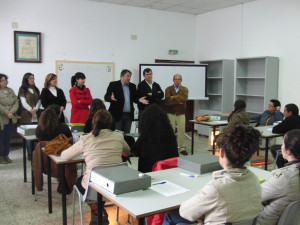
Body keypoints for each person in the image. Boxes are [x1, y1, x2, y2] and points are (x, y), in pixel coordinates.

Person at [162, 125, 262, 225]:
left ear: (221, 153)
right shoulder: (255, 180)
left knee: (172, 215)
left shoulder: (216, 188)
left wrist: (202, 215)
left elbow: (185, 212)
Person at [61, 109, 130, 225]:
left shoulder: (86, 139)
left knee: (84, 180)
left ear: (94, 123)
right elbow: (127, 152)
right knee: (100, 182)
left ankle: (98, 213)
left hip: (93, 188)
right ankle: (99, 212)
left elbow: (64, 156)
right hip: (115, 186)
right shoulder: (118, 137)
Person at [257, 129, 300, 225]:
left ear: (288, 152)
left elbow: (256, 195)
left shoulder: (284, 178)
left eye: (282, 143)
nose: (281, 146)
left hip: (265, 220)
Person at [131, 104, 179, 173]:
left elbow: (133, 152)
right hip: (171, 171)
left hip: (151, 173)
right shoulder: (171, 136)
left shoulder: (145, 137)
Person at [104, 69, 148, 133]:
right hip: (117, 115)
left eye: (130, 76)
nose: (129, 78)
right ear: (122, 76)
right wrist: (110, 98)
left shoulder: (132, 86)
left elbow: (135, 98)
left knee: (127, 135)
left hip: (128, 116)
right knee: (117, 134)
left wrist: (139, 100)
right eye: (127, 76)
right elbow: (106, 97)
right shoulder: (113, 84)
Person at [18, 72, 41, 159]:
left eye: (33, 78)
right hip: (27, 115)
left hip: (36, 115)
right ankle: (30, 154)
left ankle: (36, 154)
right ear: (26, 79)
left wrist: (36, 109)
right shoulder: (22, 89)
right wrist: (32, 111)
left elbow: (39, 101)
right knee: (28, 135)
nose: (32, 80)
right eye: (30, 78)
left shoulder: (36, 89)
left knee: (36, 135)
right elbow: (24, 103)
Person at [164, 74, 189, 155]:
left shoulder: (185, 89)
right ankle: (170, 147)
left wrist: (173, 97)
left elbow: (184, 99)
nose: (177, 81)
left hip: (181, 113)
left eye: (179, 79)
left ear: (181, 80)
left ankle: (182, 148)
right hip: (170, 113)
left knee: (181, 130)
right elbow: (167, 101)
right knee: (170, 131)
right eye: (175, 79)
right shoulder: (168, 89)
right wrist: (178, 100)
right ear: (173, 80)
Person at [271, 103, 300, 168]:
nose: (283, 113)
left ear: (290, 112)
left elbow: (275, 129)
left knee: (274, 148)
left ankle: (282, 167)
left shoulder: (289, 120)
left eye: (284, 111)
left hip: (292, 148)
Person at [0, 74, 19, 164]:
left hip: (11, 117)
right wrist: (7, 112)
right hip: (2, 118)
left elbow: (16, 101)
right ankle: (0, 156)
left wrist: (12, 111)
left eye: (5, 80)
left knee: (7, 138)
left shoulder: (10, 90)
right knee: (1, 138)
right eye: (2, 80)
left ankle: (6, 155)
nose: (5, 82)